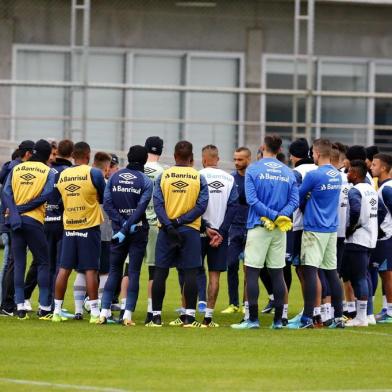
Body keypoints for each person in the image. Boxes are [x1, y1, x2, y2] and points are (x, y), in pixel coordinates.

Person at [231, 135, 299, 330]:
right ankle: (278, 320)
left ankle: (252, 319)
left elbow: (252, 200)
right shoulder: (288, 172)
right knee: (277, 274)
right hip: (280, 229)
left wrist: (271, 216)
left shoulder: (254, 169)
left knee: (251, 273)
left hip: (259, 225)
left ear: (262, 147)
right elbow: (294, 201)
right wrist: (280, 216)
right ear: (279, 150)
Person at [148, 140, 209, 328]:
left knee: (160, 272)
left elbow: (157, 204)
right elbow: (201, 205)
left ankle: (156, 317)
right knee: (191, 272)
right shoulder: (198, 177)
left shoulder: (164, 176)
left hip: (166, 231)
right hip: (189, 230)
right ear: (192, 158)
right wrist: (180, 222)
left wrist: (169, 224)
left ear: (174, 156)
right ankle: (190, 318)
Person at [290, 138, 344, 329]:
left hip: (314, 228)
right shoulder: (337, 175)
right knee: (331, 273)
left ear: (318, 154)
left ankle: (307, 318)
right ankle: (338, 317)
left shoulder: (314, 175)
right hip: (331, 229)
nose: (312, 156)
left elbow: (297, 196)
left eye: (313, 153)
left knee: (310, 272)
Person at [98, 145, 152, 326]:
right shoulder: (145, 181)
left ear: (128, 158)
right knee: (134, 272)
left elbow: (107, 203)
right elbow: (140, 209)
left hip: (117, 232)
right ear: (145, 160)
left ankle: (104, 313)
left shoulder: (113, 177)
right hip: (137, 231)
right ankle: (127, 315)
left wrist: (120, 227)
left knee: (114, 270)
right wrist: (127, 227)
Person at [53, 142, 106, 323]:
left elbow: (60, 200)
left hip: (69, 227)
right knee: (91, 269)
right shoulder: (94, 173)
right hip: (89, 227)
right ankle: (94, 313)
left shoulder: (62, 175)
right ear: (88, 155)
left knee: (64, 269)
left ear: (73, 155)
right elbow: (103, 196)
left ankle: (56, 312)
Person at [2, 140, 55, 319]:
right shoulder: (48, 171)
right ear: (48, 155)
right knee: (43, 262)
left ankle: (19, 307)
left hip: (15, 222)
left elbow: (6, 193)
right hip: (33, 221)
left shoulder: (17, 169)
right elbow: (47, 194)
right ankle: (44, 307)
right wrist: (25, 208)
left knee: (18, 263)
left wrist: (16, 210)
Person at [24, 139, 74, 312]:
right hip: (60, 223)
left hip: (44, 222)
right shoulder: (68, 172)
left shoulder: (48, 171)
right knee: (56, 266)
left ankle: (35, 301)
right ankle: (51, 304)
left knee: (42, 264)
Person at [192, 145, 238, 327]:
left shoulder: (197, 176)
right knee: (214, 277)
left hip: (199, 232)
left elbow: (192, 205)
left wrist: (206, 227)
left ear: (203, 159)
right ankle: (208, 318)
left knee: (193, 271)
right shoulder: (229, 178)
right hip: (220, 235)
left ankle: (189, 314)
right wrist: (221, 232)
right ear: (217, 159)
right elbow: (233, 207)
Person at [73, 151, 112, 320]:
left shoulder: (83, 181)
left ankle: (78, 310)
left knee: (82, 271)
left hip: (82, 229)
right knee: (103, 272)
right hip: (103, 232)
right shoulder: (107, 184)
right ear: (107, 167)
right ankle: (102, 309)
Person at [286, 138, 318, 325]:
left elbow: (296, 199)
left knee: (303, 270)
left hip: (300, 225)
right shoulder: (317, 169)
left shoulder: (296, 173)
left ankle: (309, 311)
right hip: (322, 226)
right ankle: (320, 311)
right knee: (317, 270)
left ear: (293, 155)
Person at [343, 160, 378, 327]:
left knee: (358, 277)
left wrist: (350, 228)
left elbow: (355, 210)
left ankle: (362, 317)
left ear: (355, 174)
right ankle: (365, 315)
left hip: (357, 240)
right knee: (363, 276)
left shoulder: (355, 191)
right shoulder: (371, 189)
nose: (347, 174)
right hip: (370, 238)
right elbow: (381, 212)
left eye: (349, 171)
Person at [221, 147, 251, 314]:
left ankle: (246, 303)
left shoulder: (253, 179)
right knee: (231, 264)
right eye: (235, 159)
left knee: (249, 267)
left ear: (248, 159)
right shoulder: (231, 179)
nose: (236, 162)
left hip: (251, 228)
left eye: (240, 159)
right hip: (234, 228)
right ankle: (233, 303)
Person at [142, 136, 166, 324]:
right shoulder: (163, 172)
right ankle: (151, 311)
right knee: (153, 270)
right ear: (161, 151)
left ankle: (126, 310)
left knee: (128, 270)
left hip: (135, 222)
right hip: (155, 225)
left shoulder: (137, 168)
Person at [370, 153, 392, 323]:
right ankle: (387, 308)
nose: (371, 167)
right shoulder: (383, 187)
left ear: (384, 168)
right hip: (384, 237)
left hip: (387, 238)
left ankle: (390, 311)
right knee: (385, 274)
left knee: (387, 274)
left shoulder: (386, 189)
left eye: (375, 165)